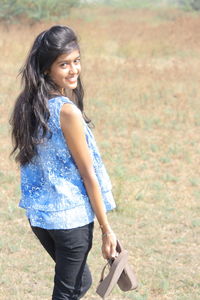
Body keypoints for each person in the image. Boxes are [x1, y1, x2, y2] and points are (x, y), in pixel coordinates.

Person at [10, 25, 117, 299]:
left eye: (76, 61)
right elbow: (88, 174)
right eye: (64, 64)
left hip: (41, 218)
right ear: (47, 68)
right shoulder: (66, 111)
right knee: (68, 293)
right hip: (70, 220)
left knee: (79, 283)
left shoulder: (29, 105)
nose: (73, 70)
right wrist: (107, 230)